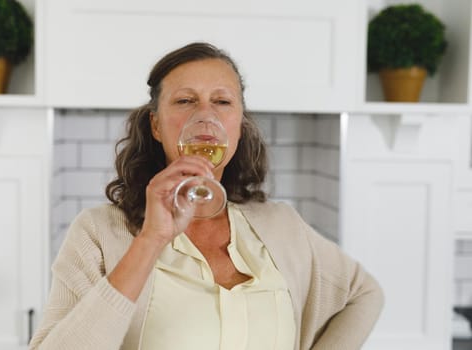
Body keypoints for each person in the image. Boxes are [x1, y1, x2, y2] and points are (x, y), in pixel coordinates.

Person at [29, 42, 384, 350]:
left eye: (222, 101)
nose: (205, 115)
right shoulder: (98, 232)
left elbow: (364, 294)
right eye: (185, 100)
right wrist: (151, 240)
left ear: (239, 122)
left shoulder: (282, 225)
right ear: (155, 125)